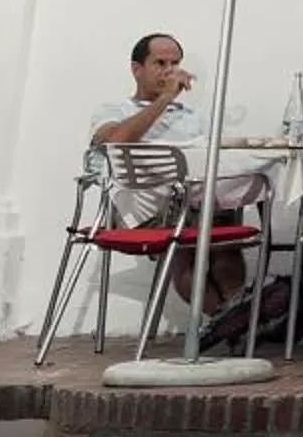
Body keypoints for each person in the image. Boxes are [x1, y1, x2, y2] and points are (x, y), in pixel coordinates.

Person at [86, 33, 248, 313]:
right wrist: (164, 99)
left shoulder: (193, 116)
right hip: (139, 210)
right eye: (160, 63)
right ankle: (235, 323)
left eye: (175, 63)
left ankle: (234, 320)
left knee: (225, 235)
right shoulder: (113, 109)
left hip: (192, 202)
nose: (169, 71)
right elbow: (117, 141)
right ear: (137, 69)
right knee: (187, 243)